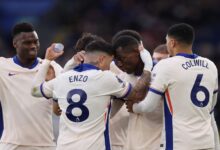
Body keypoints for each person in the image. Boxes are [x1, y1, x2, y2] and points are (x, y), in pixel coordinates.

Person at [31, 39, 143, 150]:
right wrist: (147, 67)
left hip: (64, 146)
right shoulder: (106, 78)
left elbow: (35, 91)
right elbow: (136, 94)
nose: (109, 68)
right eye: (109, 63)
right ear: (102, 59)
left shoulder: (62, 78)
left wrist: (47, 60)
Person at [128, 23, 220, 150]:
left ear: (172, 43)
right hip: (207, 142)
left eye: (166, 41)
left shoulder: (166, 66)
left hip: (179, 143)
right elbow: (211, 110)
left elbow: (148, 106)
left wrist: (134, 107)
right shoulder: (211, 66)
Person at [0, 22, 62, 150]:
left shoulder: (52, 68)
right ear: (15, 44)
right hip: (12, 145)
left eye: (36, 42)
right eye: (27, 43)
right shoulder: (3, 67)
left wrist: (54, 92)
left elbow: (58, 111)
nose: (33, 46)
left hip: (45, 144)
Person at [112, 32, 163, 150]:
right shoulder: (124, 76)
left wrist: (148, 65)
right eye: (116, 60)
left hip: (159, 144)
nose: (119, 64)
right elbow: (110, 112)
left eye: (122, 58)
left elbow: (136, 97)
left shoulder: (160, 71)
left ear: (138, 51)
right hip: (133, 144)